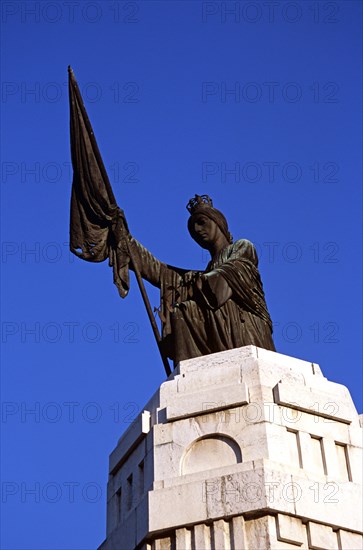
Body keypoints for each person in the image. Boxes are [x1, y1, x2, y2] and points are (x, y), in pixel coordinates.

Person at [111, 194, 275, 365]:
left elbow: (221, 286)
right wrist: (126, 240)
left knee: (191, 307)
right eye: (192, 229)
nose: (197, 230)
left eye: (201, 222)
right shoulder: (205, 272)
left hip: (245, 328)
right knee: (184, 310)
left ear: (218, 222)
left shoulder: (242, 247)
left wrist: (194, 281)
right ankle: (190, 374)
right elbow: (160, 272)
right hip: (220, 322)